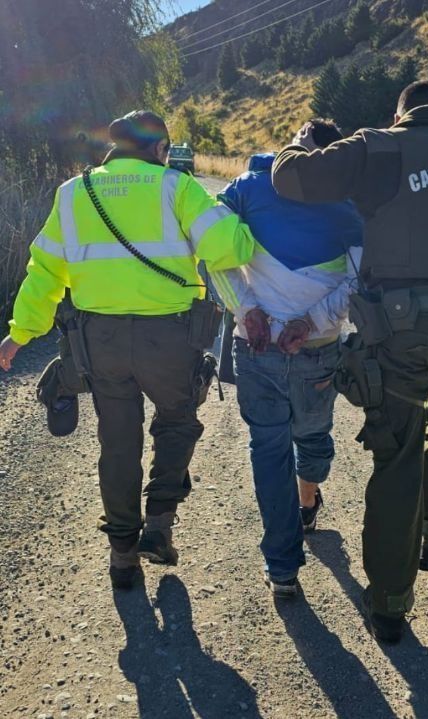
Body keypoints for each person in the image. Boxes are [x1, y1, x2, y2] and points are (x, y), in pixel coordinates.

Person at [271, 79, 428, 642]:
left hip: (404, 328)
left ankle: (390, 605)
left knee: (398, 455)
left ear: (400, 111)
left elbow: (292, 179)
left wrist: (298, 144)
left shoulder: (379, 146)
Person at [0, 110, 256, 589]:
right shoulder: (175, 187)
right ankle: (159, 525)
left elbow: (45, 272)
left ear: (112, 149)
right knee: (178, 421)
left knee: (117, 444)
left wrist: (20, 332)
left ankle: (122, 555)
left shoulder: (74, 193)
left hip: (101, 342)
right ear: (160, 149)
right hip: (169, 338)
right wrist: (236, 219)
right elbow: (230, 250)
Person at [208, 118, 364, 598]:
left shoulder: (247, 188)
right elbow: (360, 282)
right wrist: (310, 323)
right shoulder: (352, 206)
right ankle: (308, 501)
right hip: (317, 352)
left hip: (255, 350)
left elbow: (209, 253)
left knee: (269, 450)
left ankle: (282, 568)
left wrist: (248, 309)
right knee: (313, 435)